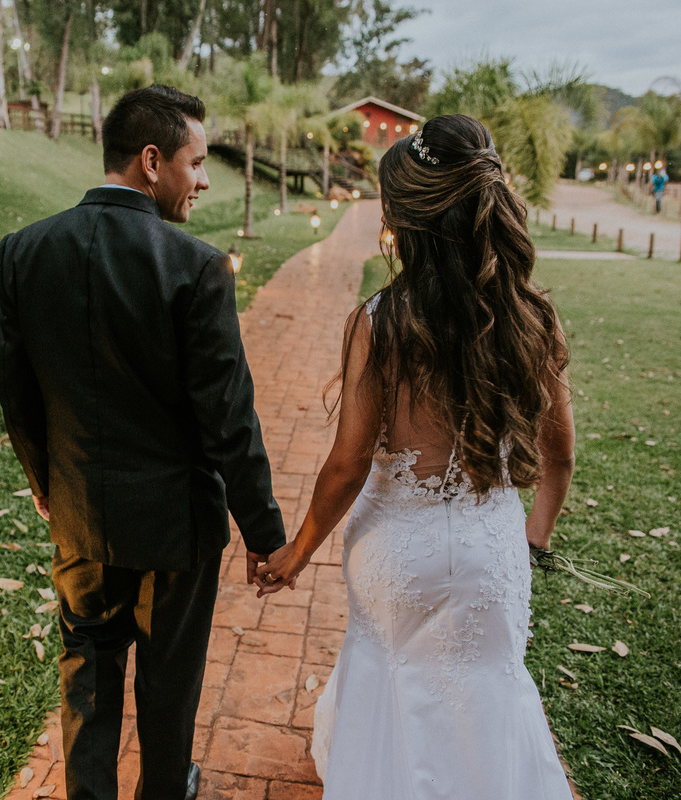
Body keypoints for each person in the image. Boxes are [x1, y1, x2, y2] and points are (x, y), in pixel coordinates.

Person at [260, 114, 576, 798]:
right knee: (488, 694)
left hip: (396, 557)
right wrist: (535, 539)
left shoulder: (381, 322)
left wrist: (298, 552)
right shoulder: (534, 318)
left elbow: (347, 465)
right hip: (492, 552)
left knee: (388, 687)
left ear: (406, 221)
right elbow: (560, 459)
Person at [0, 84, 287, 800]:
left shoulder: (23, 252)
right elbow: (228, 420)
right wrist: (263, 532)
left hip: (80, 519)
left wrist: (45, 485)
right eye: (197, 162)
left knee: (88, 674)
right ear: (152, 161)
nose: (204, 180)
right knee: (168, 683)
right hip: (176, 531)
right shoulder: (197, 266)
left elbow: (18, 397)